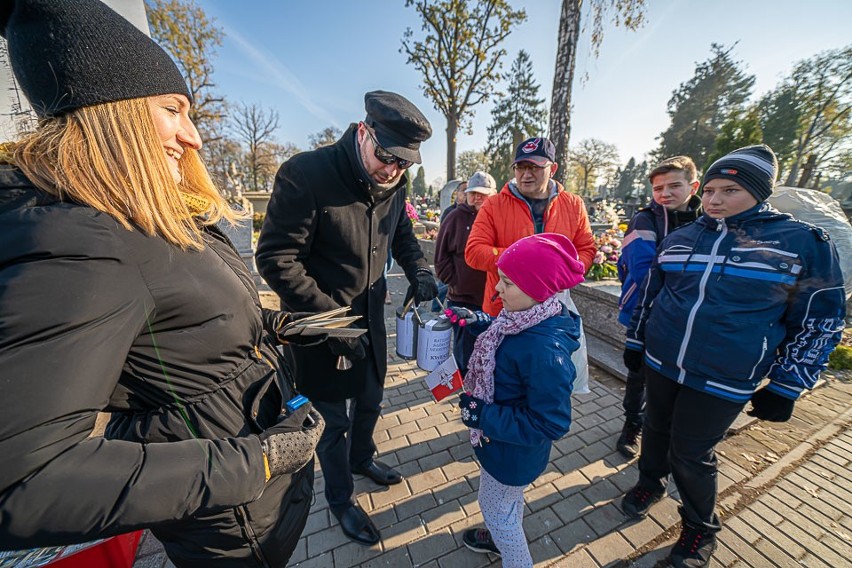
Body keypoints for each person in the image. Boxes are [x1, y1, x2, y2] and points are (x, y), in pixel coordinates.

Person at [0, 1, 327, 566]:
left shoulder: (146, 212)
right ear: (113, 115)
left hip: (259, 494)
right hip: (230, 520)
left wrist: (275, 324)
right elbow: (25, 478)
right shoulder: (84, 240)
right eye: (173, 109)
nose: (194, 136)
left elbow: (180, 317)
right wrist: (257, 462)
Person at [620, 145, 845, 568]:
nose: (715, 200)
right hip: (663, 361)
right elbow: (654, 295)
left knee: (691, 453)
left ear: (759, 192)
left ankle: (699, 529)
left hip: (723, 375)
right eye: (709, 190)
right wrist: (637, 341)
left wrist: (787, 384)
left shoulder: (800, 243)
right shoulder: (684, 237)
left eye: (731, 190)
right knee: (654, 428)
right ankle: (650, 482)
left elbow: (820, 320)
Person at [255, 91, 439, 546]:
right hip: (320, 328)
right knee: (331, 423)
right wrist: (330, 322)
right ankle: (340, 499)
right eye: (385, 156)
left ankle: (363, 458)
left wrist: (418, 269)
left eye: (404, 163)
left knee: (372, 400)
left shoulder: (394, 184)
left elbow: (402, 235)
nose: (392, 170)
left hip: (370, 322)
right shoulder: (306, 174)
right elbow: (277, 259)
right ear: (363, 132)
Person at [449, 233, 586, 567]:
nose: (496, 289)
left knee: (497, 511)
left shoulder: (544, 352)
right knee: (504, 503)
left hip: (512, 453)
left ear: (538, 289)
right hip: (503, 447)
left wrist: (483, 415)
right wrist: (480, 322)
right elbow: (506, 335)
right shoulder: (526, 319)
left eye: (507, 282)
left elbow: (550, 422)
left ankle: (512, 552)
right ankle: (500, 534)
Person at [614, 156, 702, 458]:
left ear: (693, 186)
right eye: (658, 187)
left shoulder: (709, 220)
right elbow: (642, 271)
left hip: (691, 318)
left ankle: (669, 431)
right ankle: (632, 424)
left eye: (674, 186)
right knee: (639, 375)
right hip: (646, 312)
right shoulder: (645, 220)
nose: (665, 193)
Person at [465, 137, 596, 316]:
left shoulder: (574, 204)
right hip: (503, 310)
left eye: (535, 167)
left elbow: (586, 249)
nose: (526, 174)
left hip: (554, 310)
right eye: (521, 167)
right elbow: (474, 252)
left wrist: (563, 274)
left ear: (553, 169)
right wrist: (528, 264)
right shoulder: (494, 205)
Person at [434, 171, 497, 373]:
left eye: (483, 193)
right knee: (463, 350)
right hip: (462, 299)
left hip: (491, 298)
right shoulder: (454, 218)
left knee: (487, 349)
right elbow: (441, 257)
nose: (477, 198)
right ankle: (464, 389)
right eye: (473, 193)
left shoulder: (497, 218)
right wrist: (454, 282)